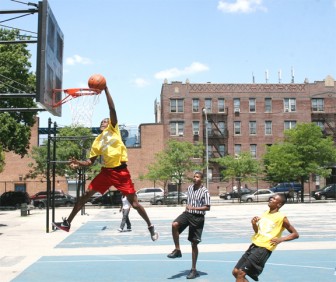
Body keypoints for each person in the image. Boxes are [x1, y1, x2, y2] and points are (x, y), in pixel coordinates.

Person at [53, 85, 159, 241]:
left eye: (106, 121)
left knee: (134, 204)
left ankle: (150, 226)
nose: (104, 122)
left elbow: (112, 109)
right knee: (84, 196)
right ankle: (67, 223)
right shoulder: (97, 141)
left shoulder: (113, 130)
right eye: (102, 121)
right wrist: (78, 163)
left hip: (121, 172)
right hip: (106, 172)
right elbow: (90, 162)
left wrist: (106, 89)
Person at [232, 194, 299, 282]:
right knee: (236, 272)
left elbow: (295, 234)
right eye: (271, 197)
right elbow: (258, 232)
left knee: (241, 273)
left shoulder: (281, 218)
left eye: (274, 199)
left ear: (279, 204)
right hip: (254, 245)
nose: (271, 199)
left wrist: (280, 239)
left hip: (263, 249)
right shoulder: (265, 213)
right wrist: (254, 224)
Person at [167, 171, 211, 279]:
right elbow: (189, 201)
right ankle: (177, 250)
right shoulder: (190, 188)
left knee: (194, 244)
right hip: (187, 214)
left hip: (198, 218)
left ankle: (193, 269)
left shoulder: (205, 191)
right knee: (174, 225)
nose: (195, 178)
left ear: (201, 179)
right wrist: (188, 207)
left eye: (197, 177)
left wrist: (194, 208)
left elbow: (207, 207)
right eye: (194, 177)